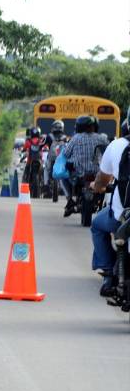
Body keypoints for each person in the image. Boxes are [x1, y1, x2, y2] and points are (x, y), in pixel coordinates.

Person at [88, 114, 128, 296]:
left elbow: (102, 179)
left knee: (97, 225)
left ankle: (109, 273)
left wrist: (98, 187)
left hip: (121, 215)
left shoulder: (117, 145)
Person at [63, 114, 109, 216]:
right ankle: (104, 204)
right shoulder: (102, 138)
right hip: (98, 174)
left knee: (63, 177)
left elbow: (65, 153)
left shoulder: (76, 138)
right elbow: (109, 152)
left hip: (79, 174)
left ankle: (69, 198)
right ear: (94, 126)